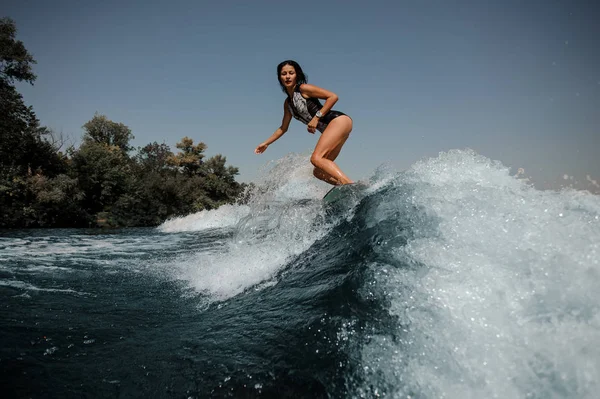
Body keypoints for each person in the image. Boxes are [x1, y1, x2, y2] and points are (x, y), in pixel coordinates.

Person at [254, 60, 354, 185]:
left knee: (316, 158)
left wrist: (316, 117)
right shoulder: (288, 104)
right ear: (280, 77)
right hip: (336, 127)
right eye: (284, 74)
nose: (288, 76)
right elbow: (283, 128)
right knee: (318, 172)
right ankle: (346, 188)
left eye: (291, 73)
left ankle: (349, 184)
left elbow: (333, 96)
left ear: (297, 75)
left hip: (337, 121)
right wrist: (266, 143)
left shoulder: (303, 89)